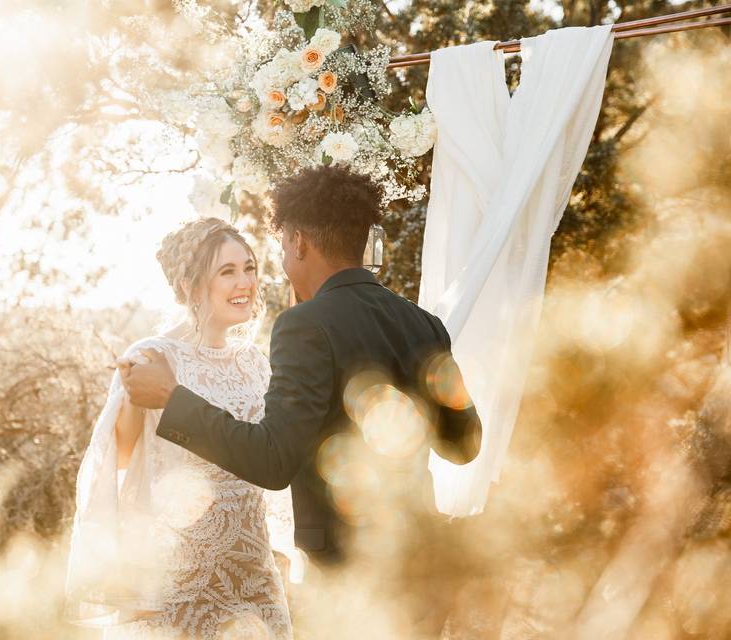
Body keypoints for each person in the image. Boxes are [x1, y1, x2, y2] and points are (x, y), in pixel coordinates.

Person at [122, 165, 482, 567]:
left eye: (279, 245)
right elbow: (465, 444)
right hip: (424, 557)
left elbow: (273, 462)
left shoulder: (304, 325)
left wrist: (173, 399)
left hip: (352, 573)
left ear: (297, 242)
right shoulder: (424, 323)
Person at [65, 218, 294, 639]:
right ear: (190, 285)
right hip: (181, 576)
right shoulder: (152, 354)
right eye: (226, 271)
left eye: (248, 267)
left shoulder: (255, 362)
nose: (244, 282)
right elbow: (123, 452)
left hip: (254, 568)